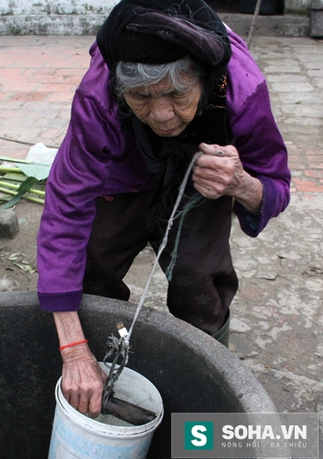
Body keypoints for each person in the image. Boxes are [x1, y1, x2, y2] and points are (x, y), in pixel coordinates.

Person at [36, 0, 291, 419]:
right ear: (121, 89)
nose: (161, 115)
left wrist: (240, 183)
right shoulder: (99, 96)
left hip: (204, 179)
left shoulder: (242, 88)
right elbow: (64, 211)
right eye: (140, 97)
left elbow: (276, 187)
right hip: (123, 177)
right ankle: (91, 374)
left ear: (204, 81)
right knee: (89, 263)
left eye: (176, 94)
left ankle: (206, 397)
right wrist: (73, 349)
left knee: (198, 280)